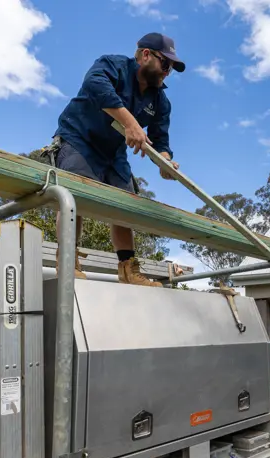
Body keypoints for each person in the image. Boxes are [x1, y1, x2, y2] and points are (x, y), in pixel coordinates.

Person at [50, 32, 185, 287]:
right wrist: (131, 123)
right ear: (146, 55)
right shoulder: (113, 65)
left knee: (126, 204)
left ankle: (127, 270)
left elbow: (161, 140)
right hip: (80, 138)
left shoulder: (160, 100)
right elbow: (95, 85)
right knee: (75, 193)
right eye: (165, 64)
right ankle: (67, 260)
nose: (167, 72)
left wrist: (165, 162)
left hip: (113, 152)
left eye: (171, 69)